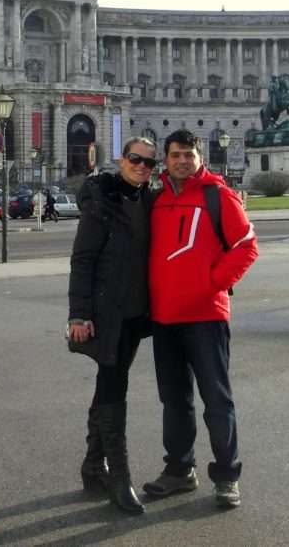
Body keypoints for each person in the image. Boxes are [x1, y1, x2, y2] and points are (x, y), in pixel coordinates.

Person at [143, 129, 258, 509]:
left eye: (188, 155)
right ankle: (179, 470)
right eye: (175, 155)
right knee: (174, 401)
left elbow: (246, 246)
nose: (182, 161)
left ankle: (227, 476)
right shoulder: (156, 200)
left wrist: (212, 283)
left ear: (198, 156)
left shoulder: (217, 195)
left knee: (217, 400)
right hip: (165, 317)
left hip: (206, 315)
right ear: (166, 158)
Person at [67, 136, 158, 515]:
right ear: (122, 160)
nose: (141, 166)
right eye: (135, 159)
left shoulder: (151, 201)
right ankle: (119, 479)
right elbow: (83, 260)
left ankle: (93, 467)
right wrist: (78, 314)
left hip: (137, 314)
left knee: (111, 381)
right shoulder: (101, 202)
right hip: (108, 314)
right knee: (113, 386)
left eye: (149, 163)